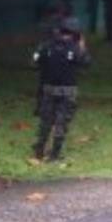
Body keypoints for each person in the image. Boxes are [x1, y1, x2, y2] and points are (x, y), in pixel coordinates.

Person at [32, 17, 91, 162]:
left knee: (46, 121)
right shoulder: (75, 48)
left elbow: (36, 60)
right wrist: (82, 47)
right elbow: (86, 62)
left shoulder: (47, 46)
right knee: (61, 122)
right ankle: (54, 154)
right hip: (67, 90)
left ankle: (39, 150)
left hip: (49, 89)